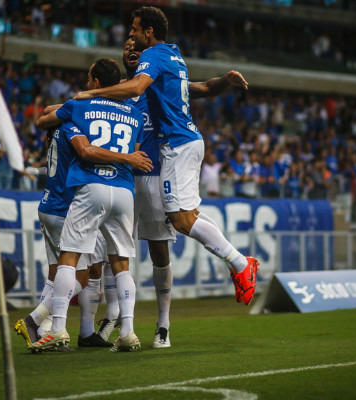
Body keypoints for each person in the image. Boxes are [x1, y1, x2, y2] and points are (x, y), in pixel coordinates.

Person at [73, 6, 259, 309]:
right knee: (189, 214)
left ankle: (240, 263)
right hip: (185, 142)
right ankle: (240, 263)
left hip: (175, 144)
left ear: (149, 32)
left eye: (134, 30)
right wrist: (225, 80)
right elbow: (201, 88)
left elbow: (136, 86)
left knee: (181, 219)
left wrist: (90, 94)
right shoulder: (173, 55)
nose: (131, 36)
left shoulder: (153, 58)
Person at [29, 58, 152, 353]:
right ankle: (129, 332)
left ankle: (57, 328)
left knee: (68, 259)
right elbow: (133, 151)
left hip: (91, 187)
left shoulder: (79, 105)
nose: (86, 84)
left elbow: (44, 119)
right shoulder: (134, 114)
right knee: (121, 264)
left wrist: (75, 102)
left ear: (96, 83)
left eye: (88, 79)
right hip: (124, 191)